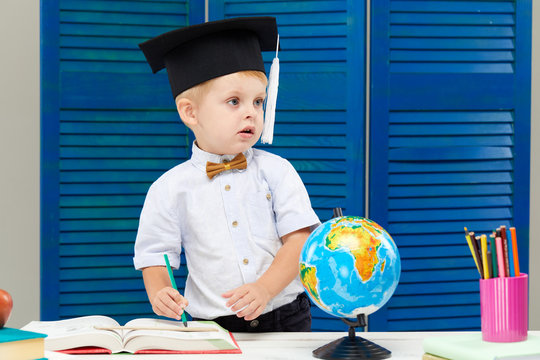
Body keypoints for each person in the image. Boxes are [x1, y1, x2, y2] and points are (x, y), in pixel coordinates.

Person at [133, 16, 320, 332]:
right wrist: (160, 290)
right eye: (234, 101)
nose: (251, 112)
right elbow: (154, 254)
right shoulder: (168, 189)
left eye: (258, 101)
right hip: (213, 326)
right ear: (190, 112)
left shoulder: (278, 171)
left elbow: (300, 239)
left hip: (284, 315)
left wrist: (265, 289)